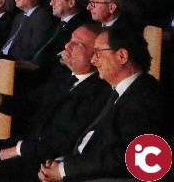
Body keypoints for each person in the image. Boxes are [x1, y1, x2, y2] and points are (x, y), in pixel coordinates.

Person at [0, 24, 110, 182]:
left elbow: (65, 140)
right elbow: (29, 105)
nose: (67, 46)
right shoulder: (63, 76)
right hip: (27, 149)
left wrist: (17, 150)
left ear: (96, 56)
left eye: (78, 45)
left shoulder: (99, 91)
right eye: (70, 40)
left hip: (47, 163)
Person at [37, 27, 165, 181]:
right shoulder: (118, 92)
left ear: (122, 56)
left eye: (98, 52)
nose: (93, 60)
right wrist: (62, 164)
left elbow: (128, 155)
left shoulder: (146, 96)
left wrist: (64, 170)